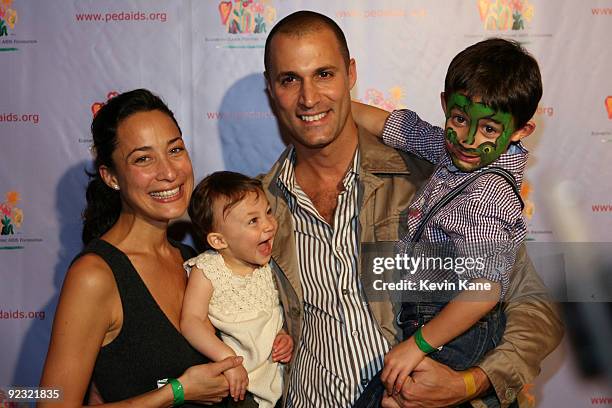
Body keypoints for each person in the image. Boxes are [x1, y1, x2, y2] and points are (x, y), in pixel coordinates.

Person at [261, 10, 563, 408]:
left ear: (350, 75)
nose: (309, 97)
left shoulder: (439, 177)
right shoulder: (257, 206)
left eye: (324, 75)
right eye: (289, 80)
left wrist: (465, 385)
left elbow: (535, 308)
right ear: (271, 89)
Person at [350, 38, 541, 406]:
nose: (469, 139)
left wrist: (418, 345)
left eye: (489, 129)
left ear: (519, 131)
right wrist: (339, 103)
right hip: (430, 318)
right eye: (459, 120)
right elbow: (395, 127)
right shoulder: (453, 151)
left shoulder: (487, 193)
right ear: (445, 106)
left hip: (455, 327)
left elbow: (485, 291)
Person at [40, 89, 243, 407]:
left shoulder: (192, 259)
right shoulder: (94, 276)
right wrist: (176, 392)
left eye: (175, 149)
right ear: (111, 177)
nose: (169, 172)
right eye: (143, 159)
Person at [180, 171, 293, 408]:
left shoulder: (270, 263)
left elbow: (277, 311)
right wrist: (228, 361)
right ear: (219, 241)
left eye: (268, 212)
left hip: (278, 384)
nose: (269, 225)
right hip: (239, 388)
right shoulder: (209, 269)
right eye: (253, 221)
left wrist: (283, 335)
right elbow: (192, 321)